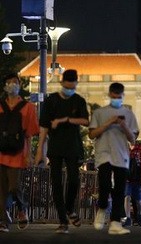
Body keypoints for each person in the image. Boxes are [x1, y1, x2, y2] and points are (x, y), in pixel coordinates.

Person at [35, 69, 90, 234]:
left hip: (73, 146)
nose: (70, 89)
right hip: (56, 147)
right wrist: (40, 151)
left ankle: (69, 207)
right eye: (67, 86)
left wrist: (66, 119)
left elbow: (86, 121)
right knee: (56, 183)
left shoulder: (78, 100)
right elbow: (44, 127)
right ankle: (63, 220)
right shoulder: (51, 100)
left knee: (74, 179)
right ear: (62, 83)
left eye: (73, 87)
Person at [89, 82, 138, 235]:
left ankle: (115, 222)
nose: (117, 99)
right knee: (104, 184)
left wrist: (123, 125)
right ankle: (102, 208)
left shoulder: (129, 114)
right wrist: (109, 122)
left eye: (119, 97)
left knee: (119, 189)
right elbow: (92, 134)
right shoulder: (99, 112)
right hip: (104, 154)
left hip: (121, 155)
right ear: (110, 95)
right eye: (114, 97)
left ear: (123, 96)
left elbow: (133, 139)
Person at [0, 73, 39, 232]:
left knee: (14, 186)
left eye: (14, 82)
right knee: (1, 190)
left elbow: (29, 134)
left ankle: (22, 209)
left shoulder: (28, 107)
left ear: (20, 85)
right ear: (4, 86)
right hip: (1, 152)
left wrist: (29, 154)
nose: (11, 85)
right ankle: (3, 220)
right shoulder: (0, 105)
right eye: (8, 82)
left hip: (18, 152)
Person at [124, 140, 141, 227]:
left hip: (138, 178)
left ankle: (139, 214)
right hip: (127, 178)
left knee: (139, 200)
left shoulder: (140, 149)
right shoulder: (124, 148)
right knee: (127, 196)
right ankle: (128, 218)